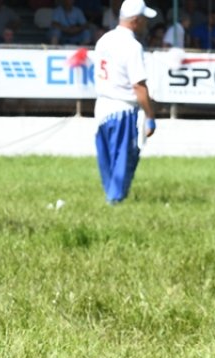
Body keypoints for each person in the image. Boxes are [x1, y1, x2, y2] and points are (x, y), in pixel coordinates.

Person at [93, 0, 158, 205]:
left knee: (107, 161)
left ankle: (110, 199)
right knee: (123, 159)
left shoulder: (104, 39)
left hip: (102, 107)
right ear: (136, 21)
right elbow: (138, 85)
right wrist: (150, 116)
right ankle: (115, 202)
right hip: (123, 110)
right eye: (144, 19)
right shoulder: (132, 46)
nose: (146, 23)